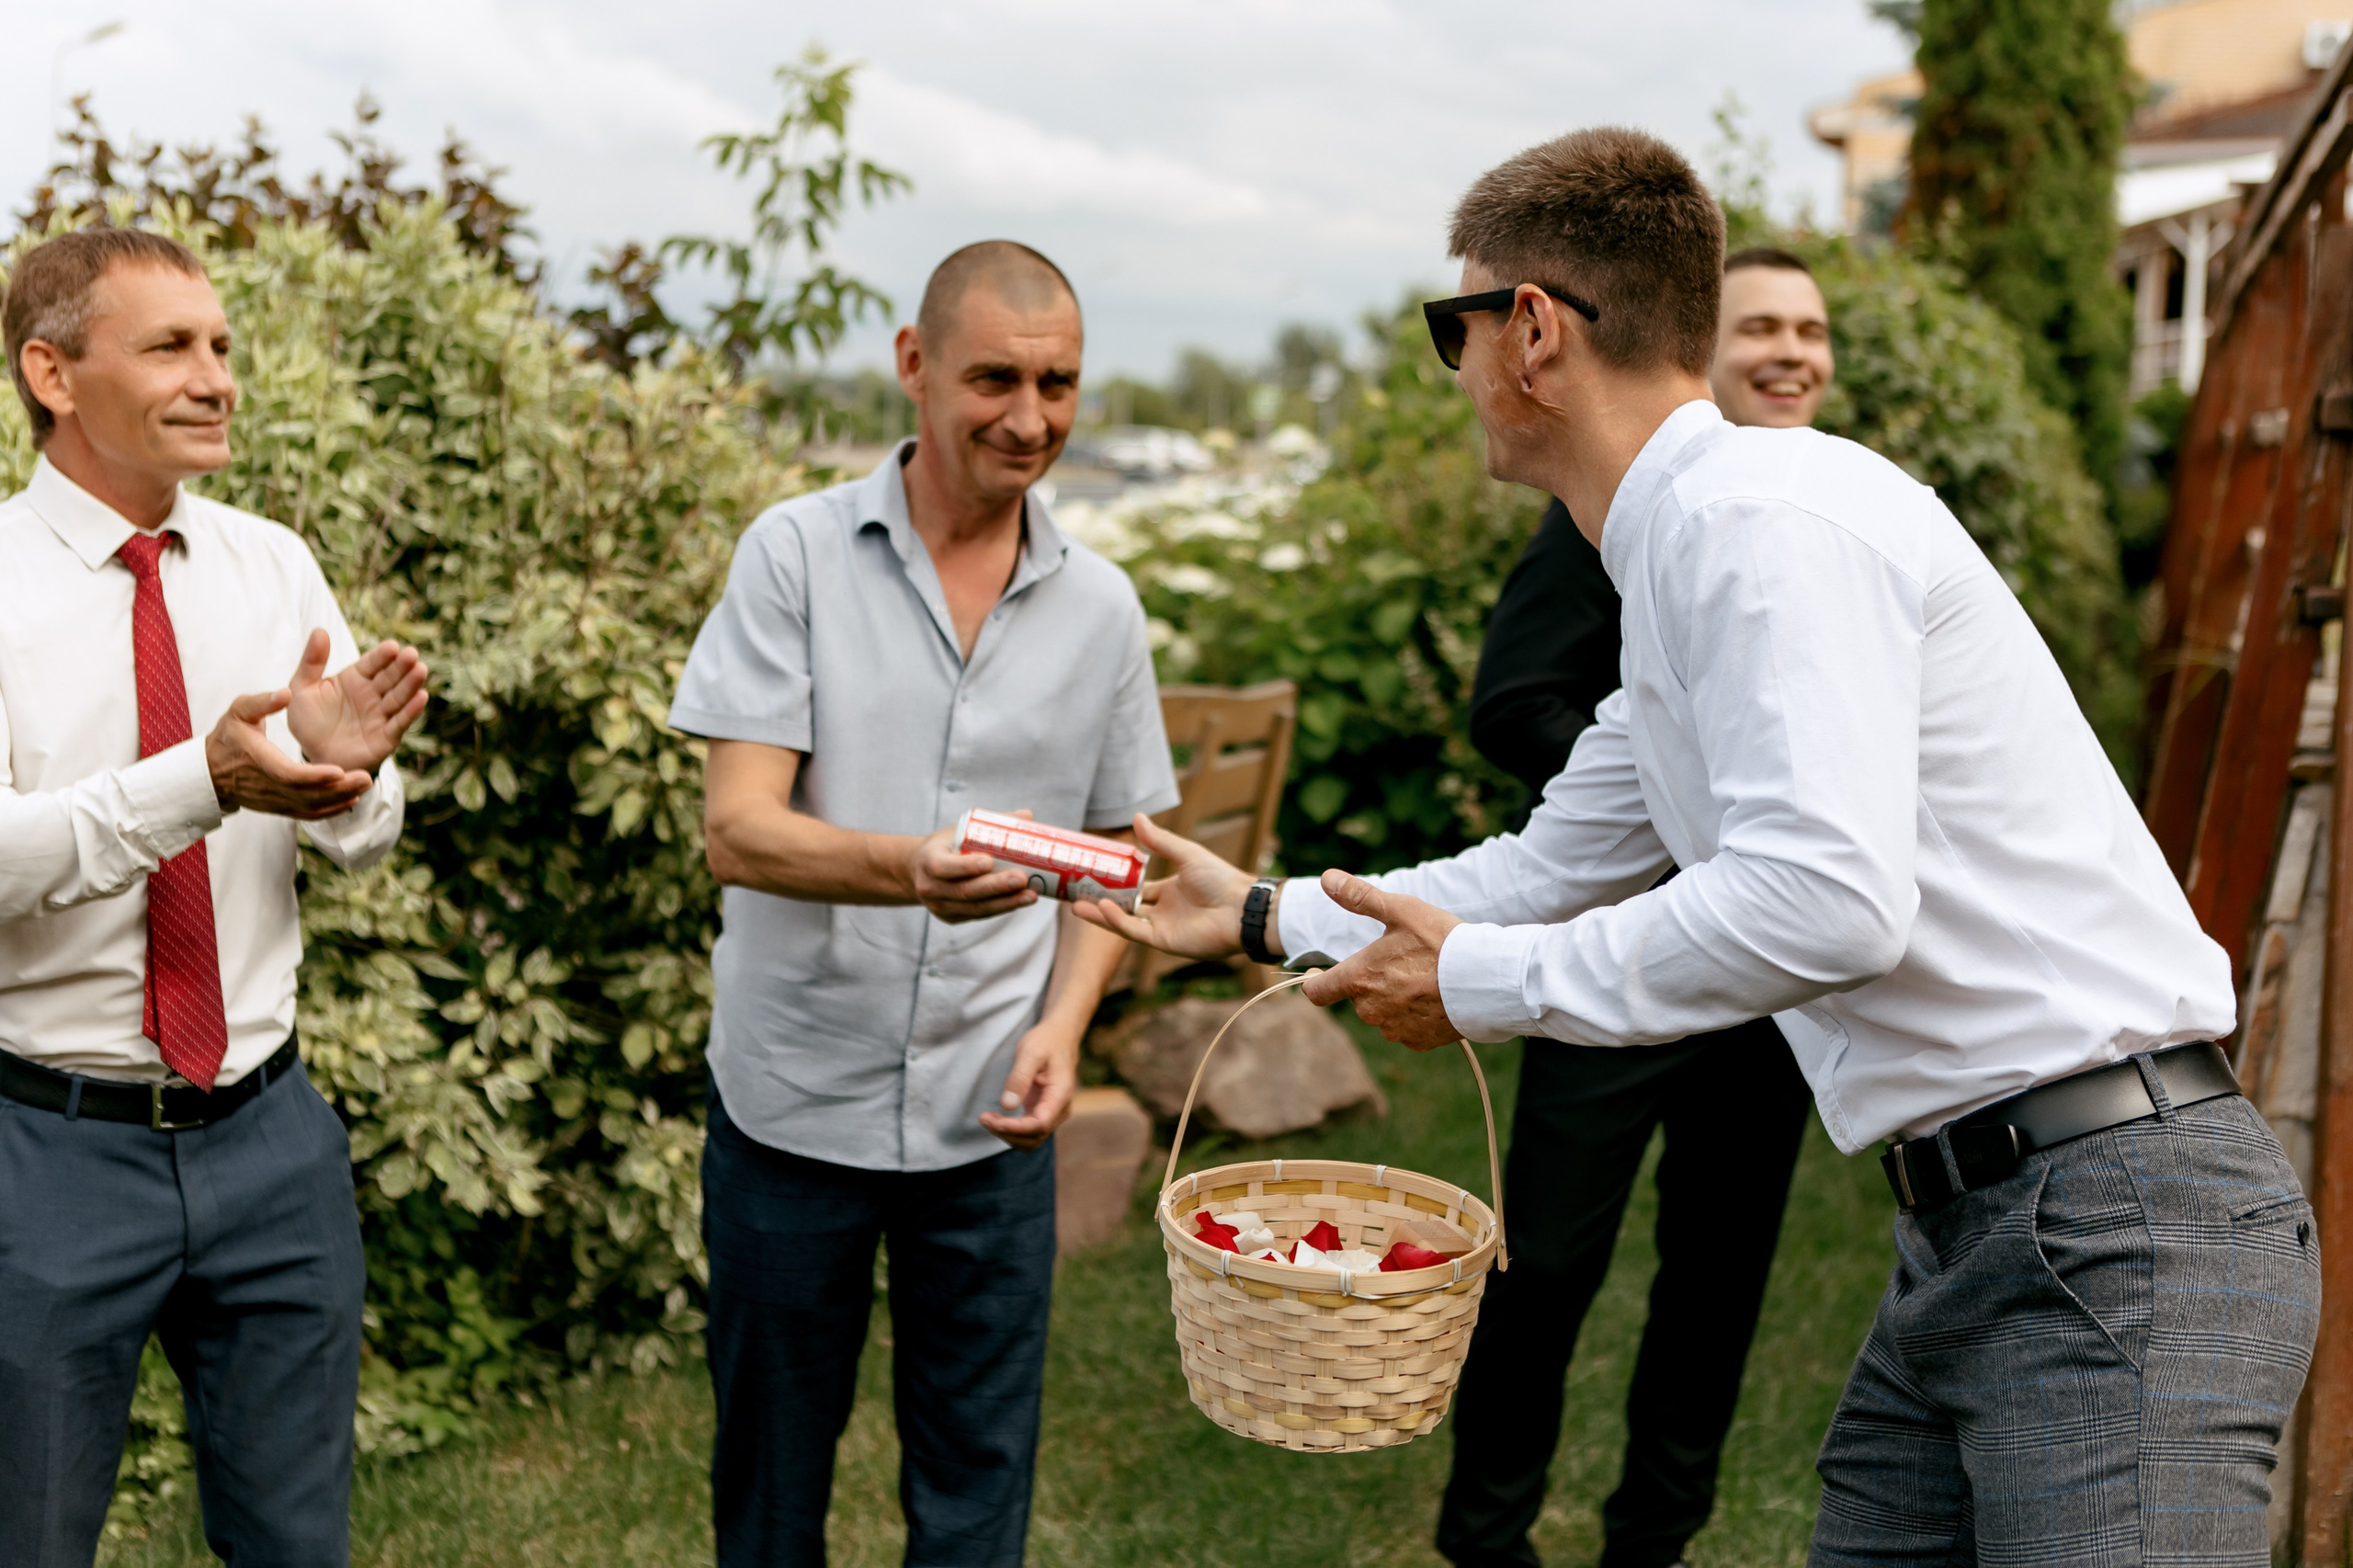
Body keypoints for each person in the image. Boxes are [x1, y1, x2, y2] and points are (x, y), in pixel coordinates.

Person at [1081, 129, 2317, 1567]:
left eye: (1453, 327)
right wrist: (1260, 914)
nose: (1457, 368)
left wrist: (1484, 984)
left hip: (2111, 1227)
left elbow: (1825, 901)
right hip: (1979, 1227)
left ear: (1532, 330)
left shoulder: (1761, 525)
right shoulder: (1685, 558)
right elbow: (1547, 866)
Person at [668, 240, 1178, 1568]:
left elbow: (1110, 866)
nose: (1030, 417)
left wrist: (1065, 1025)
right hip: (794, 1106)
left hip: (989, 1121)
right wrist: (911, 868)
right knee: (771, 1491)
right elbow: (738, 829)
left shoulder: (1105, 611)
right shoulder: (793, 556)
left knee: (976, 1493)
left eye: (1058, 383)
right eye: (995, 378)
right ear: (913, 364)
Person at [0, 226, 430, 1566]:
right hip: (46, 1151)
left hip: (270, 1141)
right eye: (173, 346)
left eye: (224, 346)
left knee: (298, 1542)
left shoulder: (272, 563)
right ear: (52, 373)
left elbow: (368, 828)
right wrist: (209, 779)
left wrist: (348, 783)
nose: (217, 377)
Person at [1439, 245, 1836, 1568]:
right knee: (1544, 1261)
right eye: (1762, 327)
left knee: (1717, 1280)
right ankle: (1488, 1534)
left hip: (1765, 978)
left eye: (1812, 330)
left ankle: (1654, 1540)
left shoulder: (1822, 523)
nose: (1792, 352)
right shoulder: (1617, 520)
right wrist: (1661, 804)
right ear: (1697, 357)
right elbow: (1513, 700)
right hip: (1614, 947)